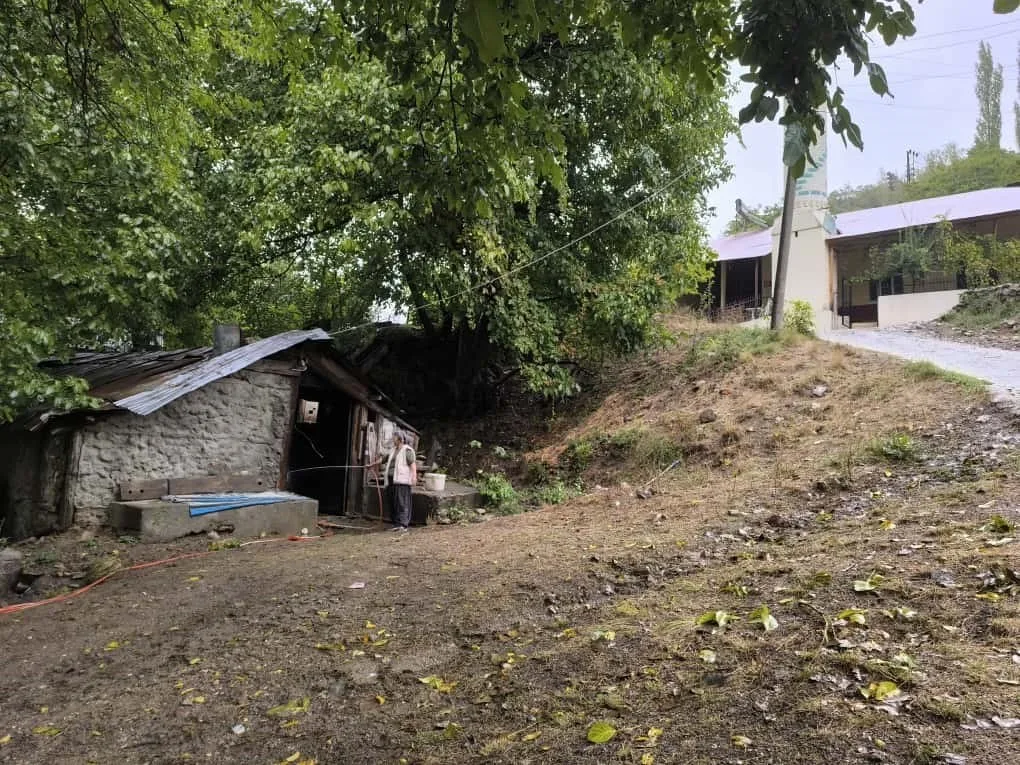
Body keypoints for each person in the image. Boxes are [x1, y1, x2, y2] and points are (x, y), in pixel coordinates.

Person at [390, 430, 417, 531]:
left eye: (394, 437)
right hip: (397, 480)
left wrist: (414, 476)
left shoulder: (407, 450)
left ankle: (404, 524)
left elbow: (413, 465)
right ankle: (398, 524)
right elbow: (384, 459)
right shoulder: (395, 450)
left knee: (403, 503)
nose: (393, 439)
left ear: (399, 439)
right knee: (397, 503)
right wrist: (372, 465)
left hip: (404, 481)